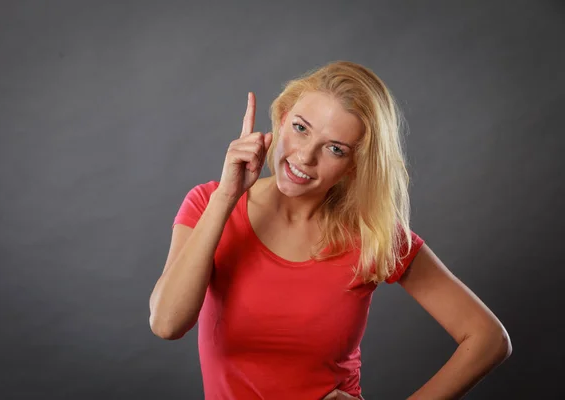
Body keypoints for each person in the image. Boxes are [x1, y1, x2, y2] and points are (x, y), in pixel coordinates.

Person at [149, 61, 512, 400]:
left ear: (356, 165)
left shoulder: (374, 235)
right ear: (282, 116)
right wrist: (227, 197)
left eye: (335, 149)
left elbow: (488, 339)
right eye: (301, 128)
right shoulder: (209, 203)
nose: (305, 156)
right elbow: (167, 324)